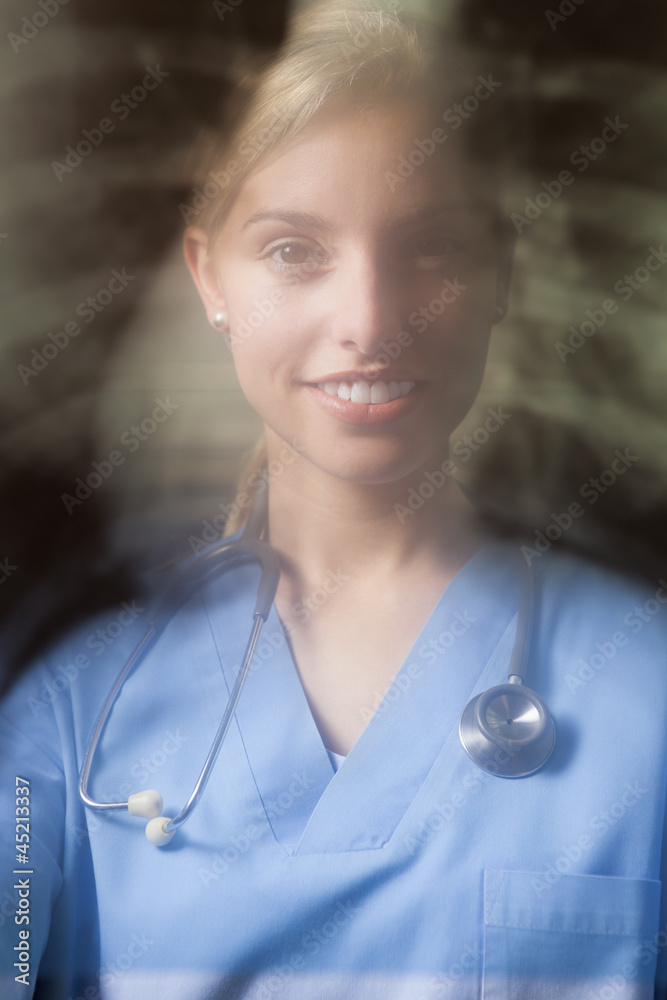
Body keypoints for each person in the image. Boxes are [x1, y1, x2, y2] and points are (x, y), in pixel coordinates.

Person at [1, 3, 666, 998]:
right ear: (208, 275)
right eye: (292, 250)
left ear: (499, 274)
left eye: (431, 249)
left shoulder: (643, 687)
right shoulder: (72, 709)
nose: (367, 320)